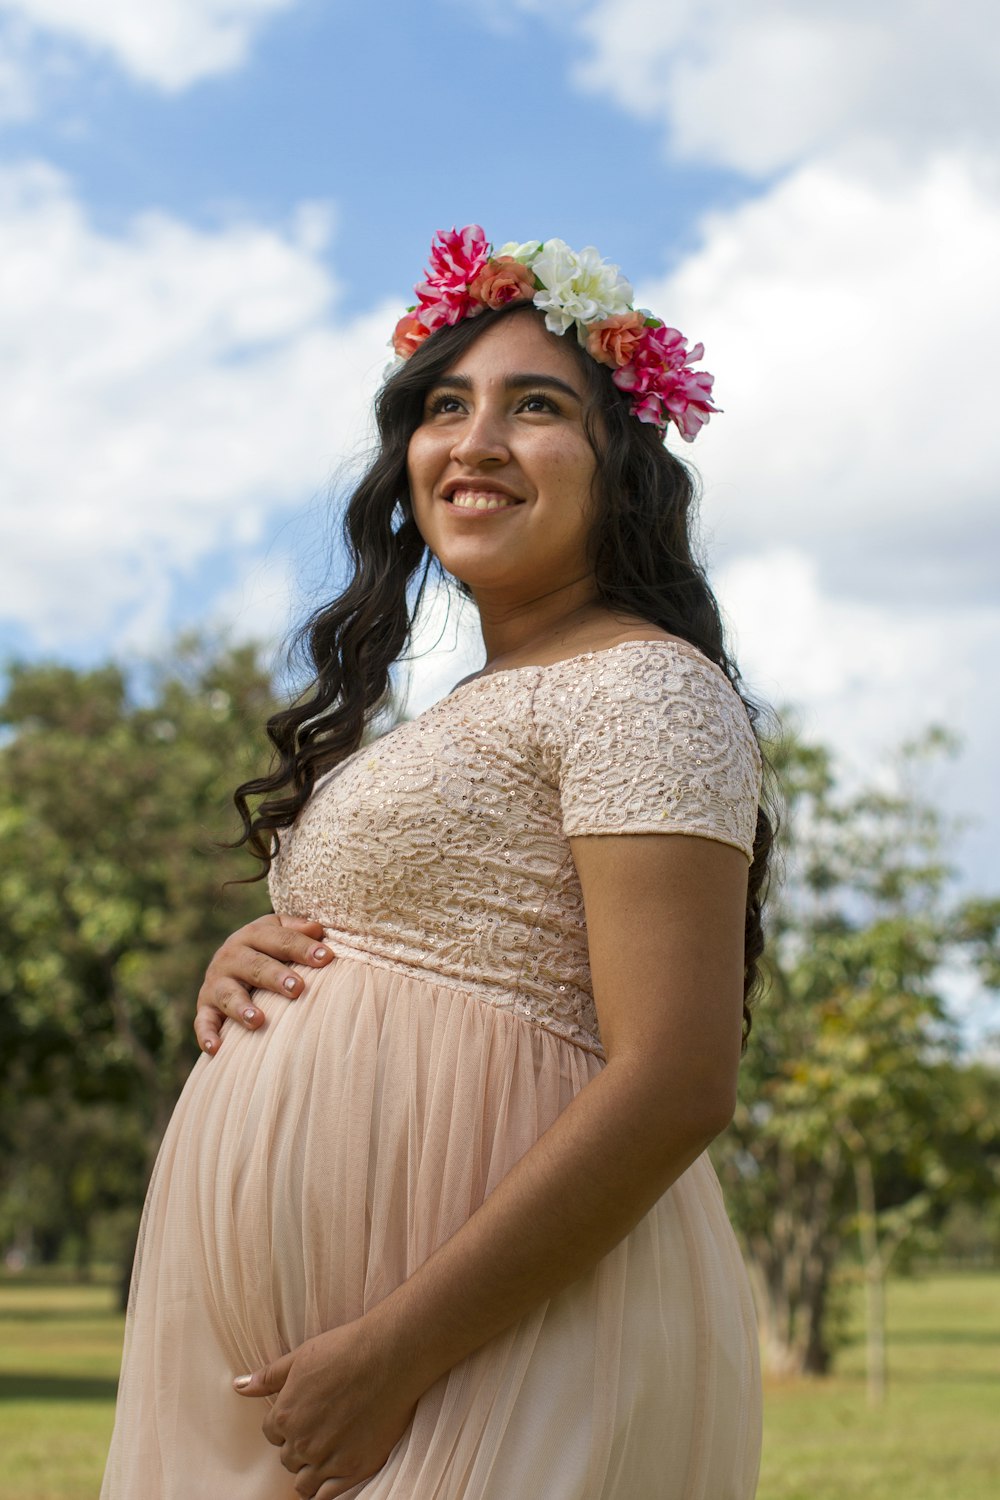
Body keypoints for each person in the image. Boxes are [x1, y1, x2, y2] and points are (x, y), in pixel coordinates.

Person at [102, 226, 772, 1500]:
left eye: (535, 408)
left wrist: (395, 1352)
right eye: (444, 407)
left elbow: (679, 1078)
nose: (473, 441)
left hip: (483, 1354)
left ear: (620, 466)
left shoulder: (640, 688)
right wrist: (255, 964)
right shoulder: (469, 704)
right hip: (335, 1375)